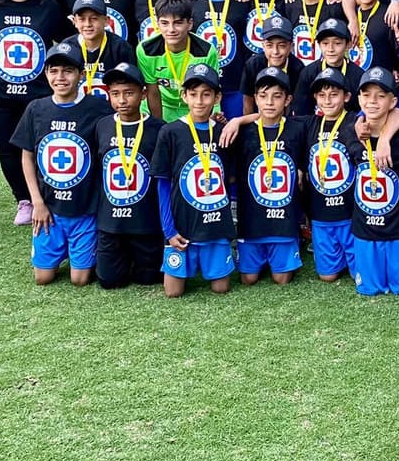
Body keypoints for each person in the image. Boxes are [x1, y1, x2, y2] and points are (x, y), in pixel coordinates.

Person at [11, 42, 113, 286]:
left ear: (81, 74)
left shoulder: (98, 108)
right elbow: (27, 156)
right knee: (43, 278)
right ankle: (63, 248)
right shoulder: (37, 108)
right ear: (46, 74)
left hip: (85, 209)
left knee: (80, 280)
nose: (60, 77)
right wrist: (37, 202)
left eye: (68, 71)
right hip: (49, 208)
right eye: (54, 71)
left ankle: (83, 249)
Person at [0, 0, 67, 226]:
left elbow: (68, 42)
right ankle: (24, 200)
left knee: (43, 147)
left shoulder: (48, 8)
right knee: (7, 148)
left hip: (38, 94)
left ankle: (48, 196)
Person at [153, 63, 237, 296]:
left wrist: (236, 121)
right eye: (193, 94)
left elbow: (228, 178)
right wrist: (169, 231)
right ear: (184, 96)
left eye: (206, 94)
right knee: (173, 292)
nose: (199, 101)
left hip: (215, 226)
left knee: (221, 288)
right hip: (182, 227)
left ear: (217, 97)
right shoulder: (170, 132)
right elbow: (162, 184)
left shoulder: (224, 132)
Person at [343, 67, 399, 296]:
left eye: (381, 95)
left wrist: (385, 138)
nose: (372, 101)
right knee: (368, 289)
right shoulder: (350, 133)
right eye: (366, 95)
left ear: (393, 100)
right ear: (358, 98)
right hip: (366, 229)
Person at [232, 67, 307, 285]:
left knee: (281, 279)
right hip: (252, 221)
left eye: (277, 96)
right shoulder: (243, 132)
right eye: (263, 96)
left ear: (288, 99)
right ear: (255, 99)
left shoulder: (298, 128)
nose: (269, 102)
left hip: (284, 222)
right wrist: (238, 120)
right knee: (248, 279)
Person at [93, 63, 164, 288]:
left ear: (143, 94)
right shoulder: (102, 126)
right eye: (115, 94)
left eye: (129, 93)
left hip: (146, 222)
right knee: (109, 281)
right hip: (111, 223)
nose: (122, 100)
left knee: (149, 279)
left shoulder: (158, 129)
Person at [302, 67, 359, 282]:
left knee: (358, 275)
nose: (327, 101)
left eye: (334, 95)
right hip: (321, 217)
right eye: (322, 95)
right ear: (315, 97)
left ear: (346, 97)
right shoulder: (309, 124)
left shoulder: (355, 121)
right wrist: (237, 120)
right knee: (327, 277)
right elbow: (271, 118)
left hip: (351, 216)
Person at [190, 0, 252, 118]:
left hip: (234, 84)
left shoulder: (243, 3)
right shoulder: (192, 3)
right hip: (202, 85)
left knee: (233, 135)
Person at [135, 0, 218, 122]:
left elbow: (209, 89)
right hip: (162, 104)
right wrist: (158, 125)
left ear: (189, 24)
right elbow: (153, 92)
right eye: (164, 23)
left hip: (194, 105)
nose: (171, 30)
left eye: (178, 23)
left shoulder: (206, 51)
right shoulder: (146, 50)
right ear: (157, 24)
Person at [62, 0, 135, 101]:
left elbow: (130, 86)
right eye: (82, 19)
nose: (87, 24)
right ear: (75, 22)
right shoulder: (67, 48)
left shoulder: (120, 47)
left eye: (94, 18)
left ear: (106, 21)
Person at [293, 18, 362, 117]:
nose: (330, 49)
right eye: (325, 43)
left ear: (348, 45)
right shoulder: (308, 73)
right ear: (319, 45)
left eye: (337, 43)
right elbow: (301, 112)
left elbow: (359, 112)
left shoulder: (358, 75)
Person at [239, 14, 305, 114]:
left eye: (282, 46)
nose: (275, 52)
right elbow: (248, 100)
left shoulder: (298, 69)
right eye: (270, 45)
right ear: (263, 46)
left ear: (291, 47)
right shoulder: (253, 65)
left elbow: (296, 105)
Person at [341, 0, 399, 74]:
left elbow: (396, 51)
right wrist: (353, 21)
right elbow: (346, 0)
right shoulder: (348, 13)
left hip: (379, 82)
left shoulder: (388, 14)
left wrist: (396, 69)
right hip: (353, 83)